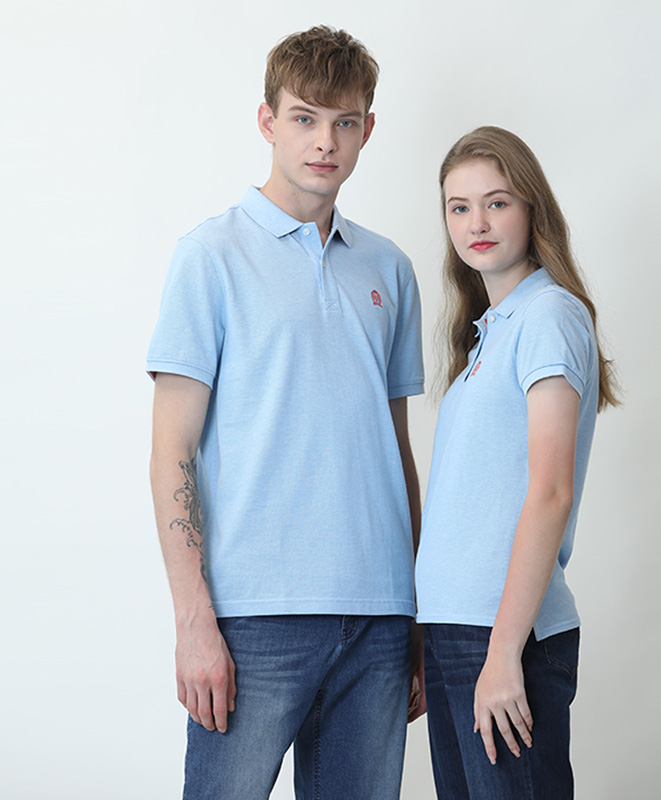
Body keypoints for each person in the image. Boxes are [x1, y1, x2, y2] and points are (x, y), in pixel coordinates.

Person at [147, 26, 425, 800]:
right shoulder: (210, 256)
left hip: (379, 617)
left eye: (344, 122)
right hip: (254, 617)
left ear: (368, 129)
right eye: (305, 118)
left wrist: (417, 611)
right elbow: (171, 449)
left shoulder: (390, 268)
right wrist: (193, 619)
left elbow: (396, 450)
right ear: (268, 121)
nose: (324, 141)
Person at [415, 126, 620, 799]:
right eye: (459, 207)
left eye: (496, 203)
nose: (476, 223)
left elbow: (551, 491)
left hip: (505, 635)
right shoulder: (489, 333)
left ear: (533, 209)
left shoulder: (548, 315)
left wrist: (504, 651)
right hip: (456, 632)